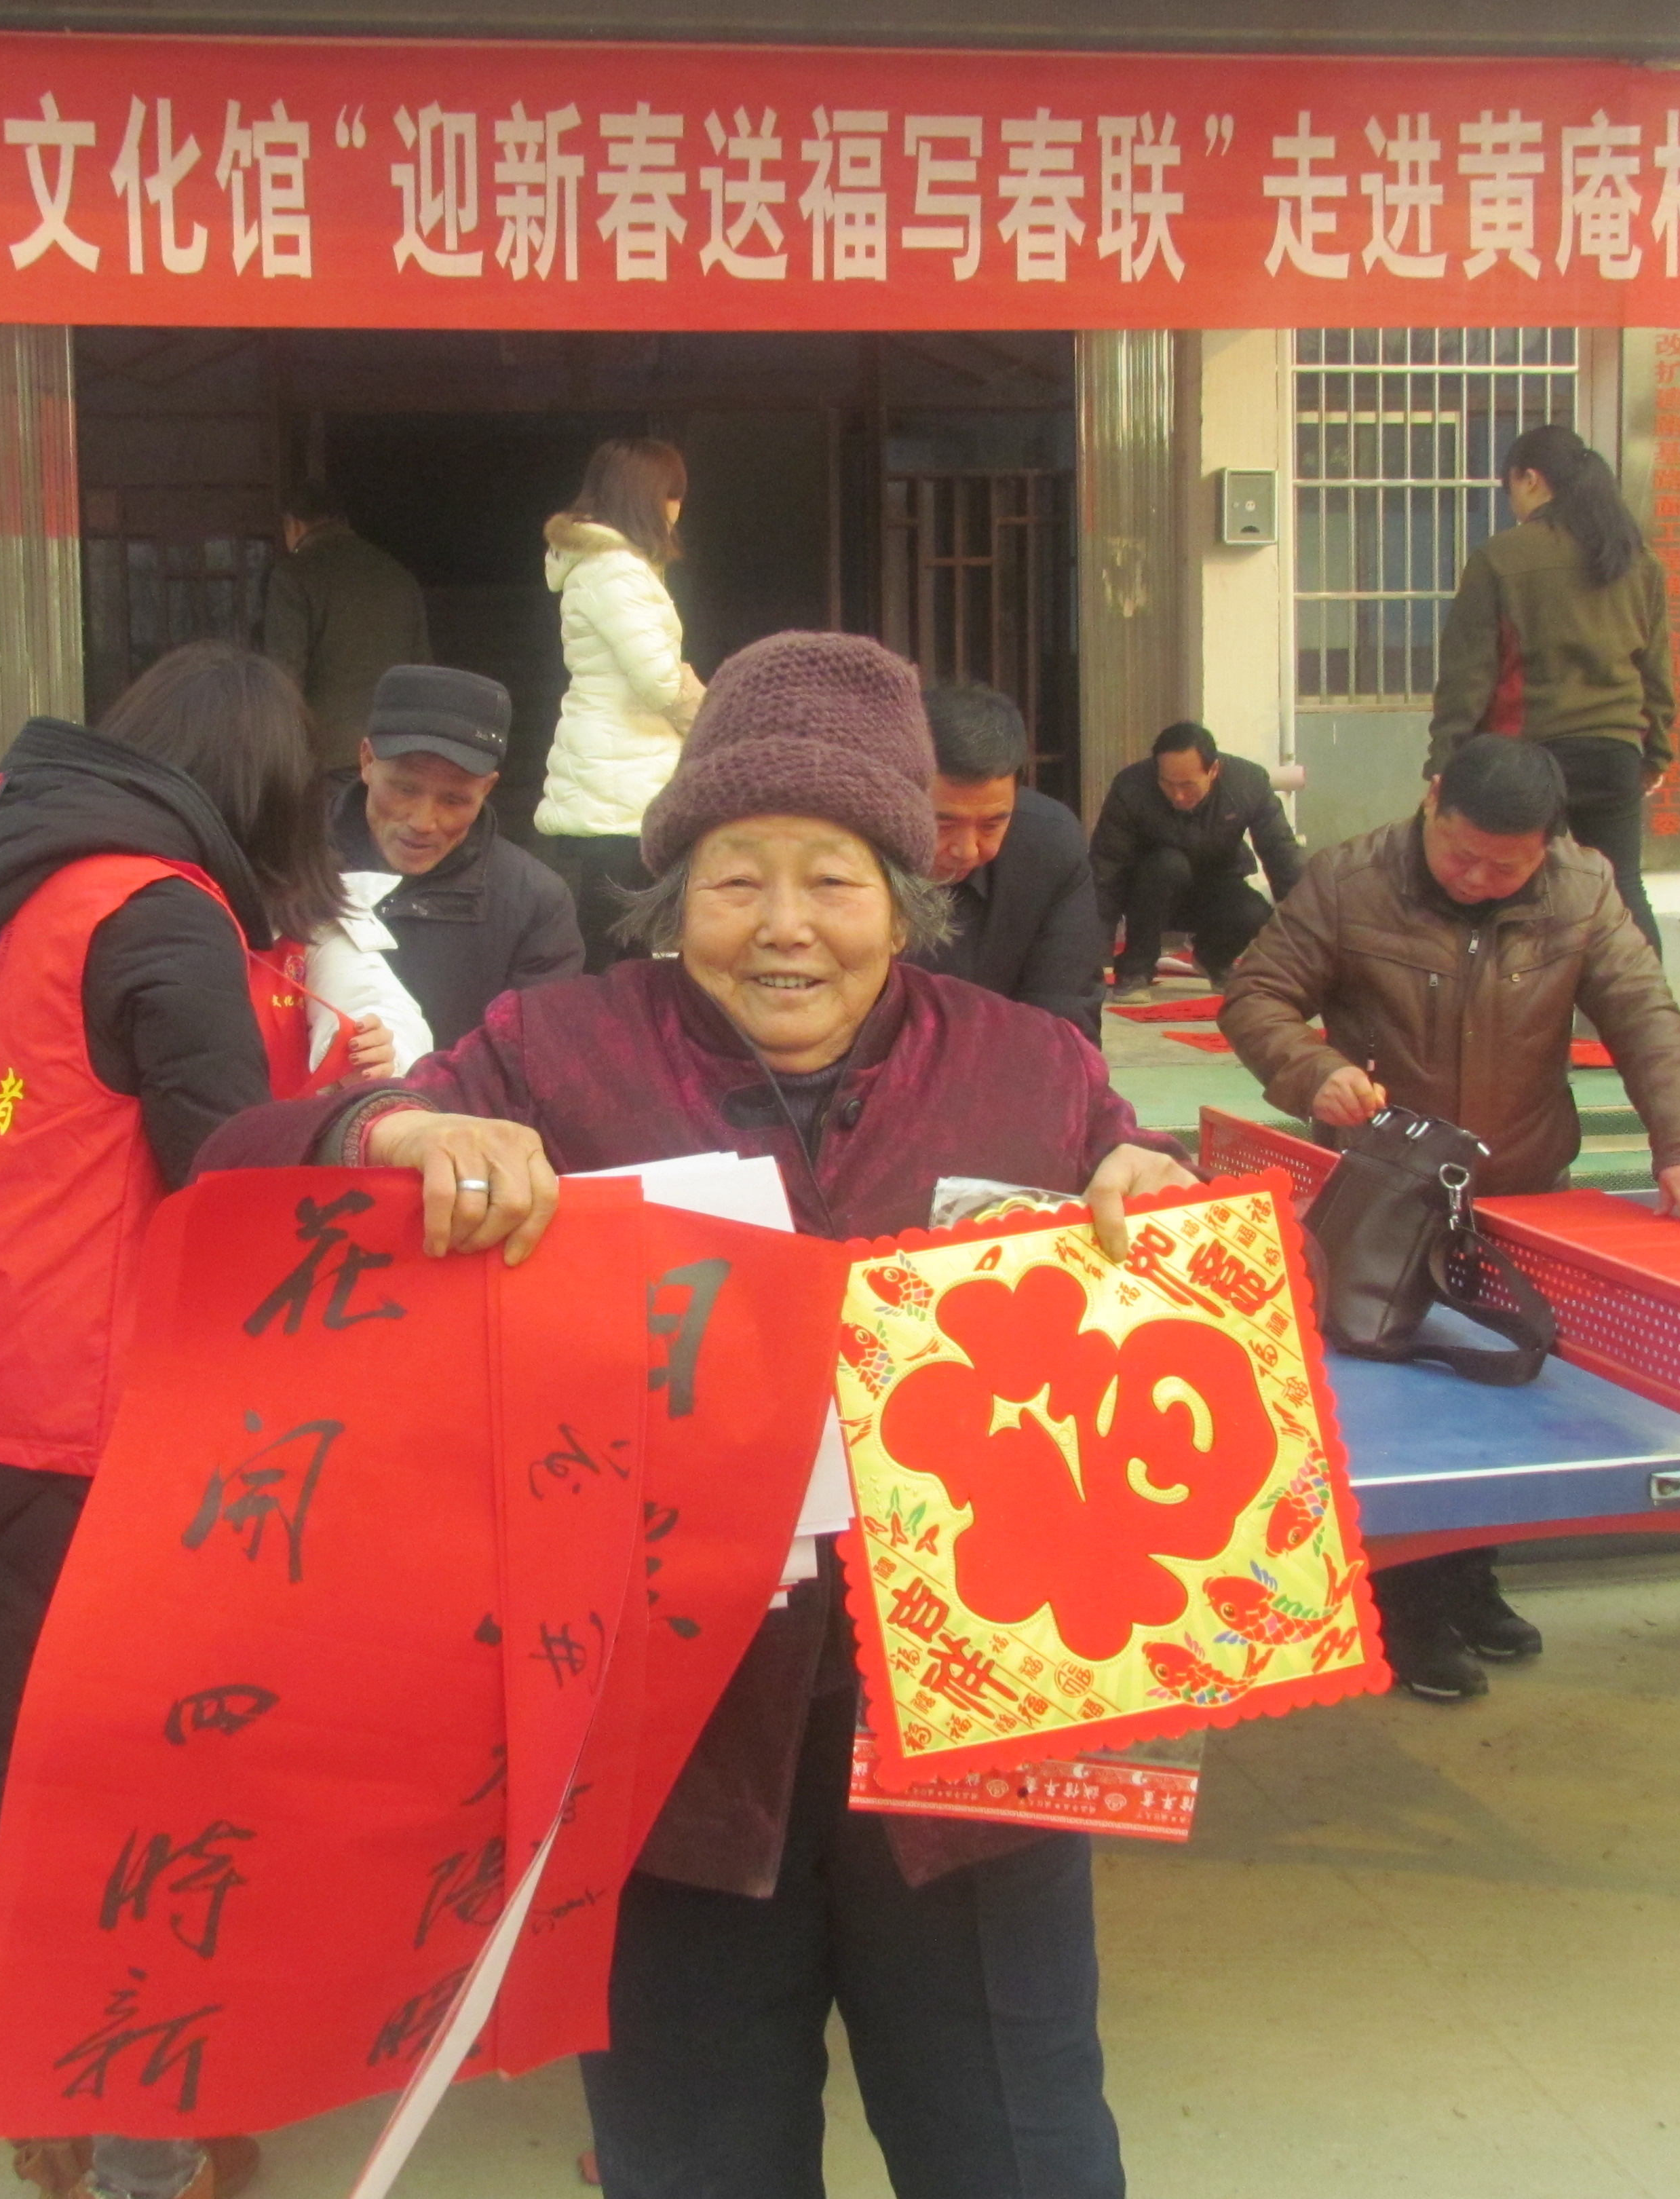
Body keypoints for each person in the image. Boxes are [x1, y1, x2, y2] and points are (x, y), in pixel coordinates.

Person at [204, 632, 1197, 2199]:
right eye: (737, 879)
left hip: (971, 1758)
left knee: (1023, 2150)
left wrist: (1146, 1179)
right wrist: (388, 1129)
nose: (784, 926)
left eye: (833, 879)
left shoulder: (1032, 1071)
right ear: (674, 895)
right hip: (661, 1758)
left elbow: (1142, 1222)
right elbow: (251, 1183)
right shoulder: (554, 1054)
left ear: (906, 900)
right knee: (693, 2161)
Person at [0, 641, 351, 2199]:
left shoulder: (5, 881)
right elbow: (233, 1169)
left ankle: (57, 2105)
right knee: (143, 1805)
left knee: (26, 1778)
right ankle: (149, 2152)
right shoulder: (161, 908)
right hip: (97, 1427)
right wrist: (366, 1127)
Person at [1221, 734, 1680, 1704]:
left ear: (1548, 846)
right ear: (1432, 801)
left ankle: (1474, 1582)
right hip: (1386, 1193)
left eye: (1508, 867)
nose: (1479, 879)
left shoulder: (1583, 889)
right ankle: (1405, 1606)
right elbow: (1257, 995)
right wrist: (1313, 1069)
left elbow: (1646, 1017)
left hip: (1517, 1187)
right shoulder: (1350, 880)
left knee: (1503, 1400)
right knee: (1403, 1408)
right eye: (1462, 855)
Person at [1426, 421, 1674, 954]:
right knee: (1622, 889)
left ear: (1531, 479)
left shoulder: (1501, 557)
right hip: (1615, 752)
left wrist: (1445, 761)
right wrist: (1656, 753)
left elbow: (1468, 676)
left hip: (1529, 757)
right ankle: (1648, 1001)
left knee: (1517, 889)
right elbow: (1655, 670)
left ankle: (1516, 1001)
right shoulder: (1637, 559)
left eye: (1511, 486)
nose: (1513, 500)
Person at [332, 662, 583, 1051]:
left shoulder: (535, 905)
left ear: (487, 789)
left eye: (454, 800)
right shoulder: (285, 868)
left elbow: (536, 1060)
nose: (423, 822)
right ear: (366, 761)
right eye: (405, 789)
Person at [532, 436, 705, 972]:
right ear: (647, 496)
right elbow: (659, 682)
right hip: (622, 774)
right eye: (673, 494)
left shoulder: (604, 564)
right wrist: (713, 716)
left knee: (616, 933)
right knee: (619, 937)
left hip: (614, 766)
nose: (678, 509)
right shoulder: (617, 570)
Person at [910, 681, 1109, 1034]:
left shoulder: (1047, 844)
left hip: (1004, 1055)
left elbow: (1065, 1010)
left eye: (991, 825)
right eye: (943, 824)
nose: (967, 850)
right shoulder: (851, 846)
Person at [1087, 721, 1302, 991]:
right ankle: (1136, 969)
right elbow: (1106, 871)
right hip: (1149, 894)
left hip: (1216, 887)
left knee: (1256, 912)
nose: (1178, 795)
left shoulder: (1248, 784)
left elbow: (1282, 857)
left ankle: (1214, 959)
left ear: (1214, 770)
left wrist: (1307, 936)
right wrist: (1093, 959)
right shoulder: (1131, 787)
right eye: (1167, 783)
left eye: (1188, 785)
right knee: (1168, 865)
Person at [259, 477, 432, 778]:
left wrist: (276, 757)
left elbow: (286, 677)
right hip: (395, 755)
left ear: (294, 524)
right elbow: (423, 671)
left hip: (328, 757)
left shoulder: (294, 576)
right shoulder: (397, 575)